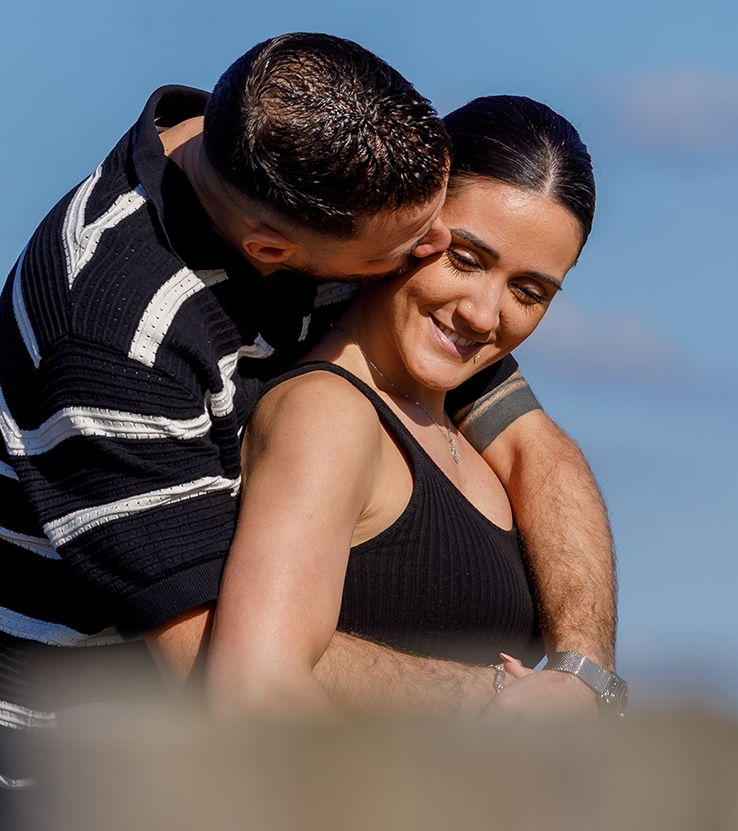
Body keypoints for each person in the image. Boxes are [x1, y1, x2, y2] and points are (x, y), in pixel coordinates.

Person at [0, 33, 614, 800]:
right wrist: (500, 706)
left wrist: (580, 675)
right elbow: (237, 676)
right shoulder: (111, 337)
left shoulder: (332, 174)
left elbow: (532, 443)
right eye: (441, 253)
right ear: (273, 250)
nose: (431, 255)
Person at [208, 95, 622, 718]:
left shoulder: (466, 425)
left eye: (528, 291)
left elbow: (551, 458)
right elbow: (257, 687)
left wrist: (581, 679)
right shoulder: (329, 414)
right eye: (466, 259)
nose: (483, 314)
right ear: (409, 225)